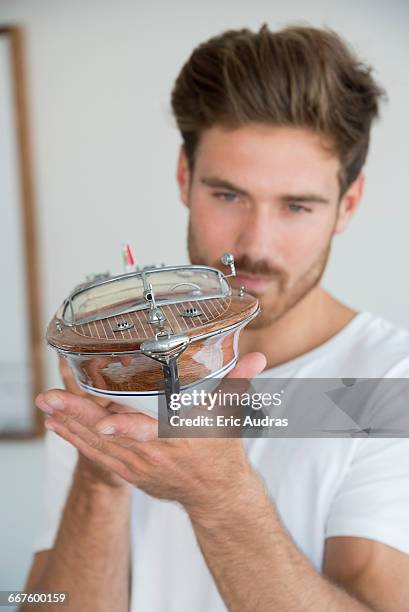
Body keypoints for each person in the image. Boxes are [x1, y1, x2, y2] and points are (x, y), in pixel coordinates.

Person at [22, 24, 409, 612]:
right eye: (227, 195)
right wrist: (102, 475)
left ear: (346, 206)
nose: (254, 244)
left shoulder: (386, 387)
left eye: (296, 206)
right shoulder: (113, 370)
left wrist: (222, 499)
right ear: (185, 176)